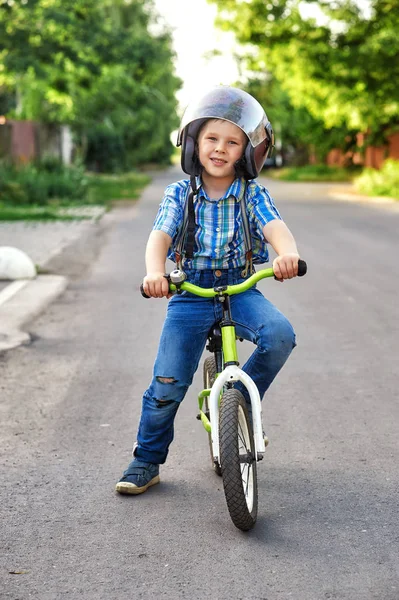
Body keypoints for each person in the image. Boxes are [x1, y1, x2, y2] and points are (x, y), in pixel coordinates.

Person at [116, 86, 301, 495]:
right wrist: (155, 272)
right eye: (211, 139)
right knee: (167, 382)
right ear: (193, 144)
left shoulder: (252, 194)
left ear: (248, 152)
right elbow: (159, 238)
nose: (220, 149)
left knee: (279, 334)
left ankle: (239, 406)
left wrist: (287, 254)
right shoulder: (179, 194)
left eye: (232, 142)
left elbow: (277, 230)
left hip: (241, 287)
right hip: (191, 293)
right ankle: (146, 459)